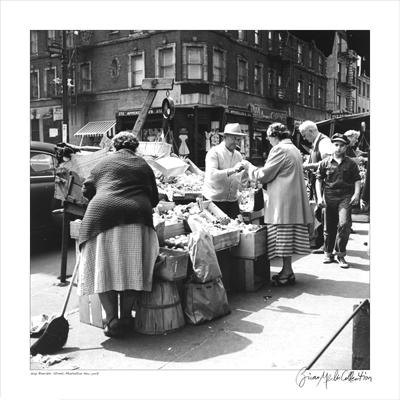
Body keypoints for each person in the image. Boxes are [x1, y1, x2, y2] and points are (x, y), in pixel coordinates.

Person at [77, 131, 160, 338]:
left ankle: (111, 319)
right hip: (136, 216)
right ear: (135, 148)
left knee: (103, 270)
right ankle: (126, 317)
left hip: (102, 216)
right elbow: (155, 199)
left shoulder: (103, 163)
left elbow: (86, 191)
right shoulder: (143, 165)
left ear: (114, 147)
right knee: (134, 269)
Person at [242, 123, 313, 287]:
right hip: (291, 200)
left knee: (283, 238)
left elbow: (264, 175)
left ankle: (287, 272)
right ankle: (287, 270)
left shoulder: (279, 149)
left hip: (282, 202)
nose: (267, 140)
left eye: (268, 137)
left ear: (274, 136)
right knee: (287, 237)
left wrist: (248, 166)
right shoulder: (294, 148)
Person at [315, 133, 361, 269]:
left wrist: (357, 194)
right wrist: (319, 196)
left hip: (345, 196)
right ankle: (328, 253)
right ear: (332, 146)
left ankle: (340, 254)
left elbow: (357, 179)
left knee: (344, 224)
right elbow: (319, 179)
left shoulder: (351, 164)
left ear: (346, 147)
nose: (339, 148)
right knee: (328, 225)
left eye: (342, 145)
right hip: (329, 195)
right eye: (336, 145)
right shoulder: (325, 163)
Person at [299, 120, 332, 253]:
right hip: (317, 181)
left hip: (324, 183)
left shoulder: (324, 142)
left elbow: (329, 161)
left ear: (311, 131)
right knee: (319, 212)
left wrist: (309, 166)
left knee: (324, 213)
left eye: (304, 134)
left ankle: (326, 244)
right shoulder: (316, 143)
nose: (303, 138)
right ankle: (321, 242)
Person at [203, 123, 248, 219]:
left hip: (232, 200)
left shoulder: (238, 155)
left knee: (235, 227)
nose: (236, 142)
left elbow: (240, 178)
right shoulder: (214, 152)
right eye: (234, 138)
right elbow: (212, 174)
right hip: (215, 200)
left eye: (238, 139)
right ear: (225, 137)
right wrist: (232, 170)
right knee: (217, 230)